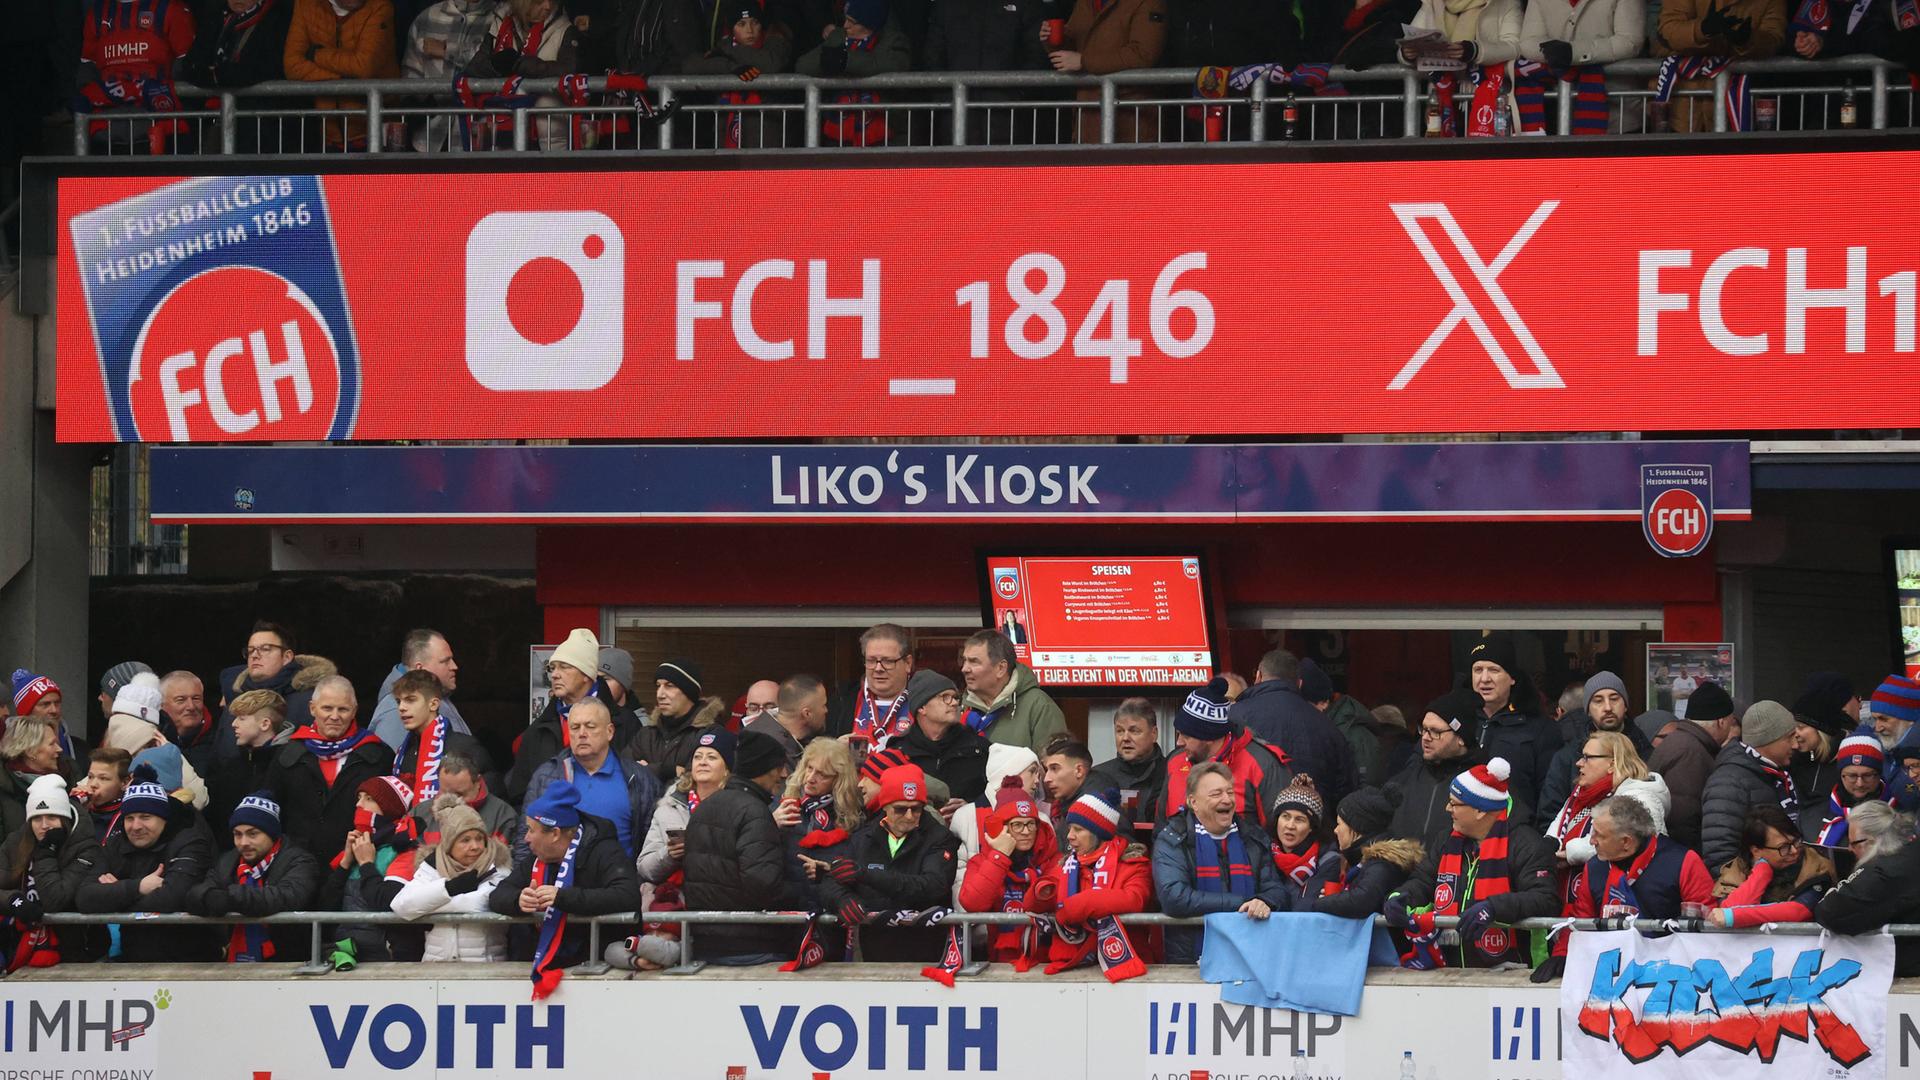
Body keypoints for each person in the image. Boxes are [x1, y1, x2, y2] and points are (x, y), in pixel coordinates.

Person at [1385, 758, 1558, 969]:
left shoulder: (1527, 844)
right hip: (1449, 968)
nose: (1448, 808)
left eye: (1454, 803)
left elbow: (1545, 898)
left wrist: (1494, 907)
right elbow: (1422, 881)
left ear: (1480, 811)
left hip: (1513, 972)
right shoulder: (1446, 839)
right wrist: (1399, 898)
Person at [1531, 796, 1713, 983]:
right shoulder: (1594, 867)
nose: (1592, 841)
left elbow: (1708, 923)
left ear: (1626, 842)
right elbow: (1581, 921)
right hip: (1613, 974)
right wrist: (1563, 953)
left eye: (1599, 835)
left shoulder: (1683, 862)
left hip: (1672, 975)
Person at [490, 779, 637, 988]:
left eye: (532, 830)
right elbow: (498, 895)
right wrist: (518, 900)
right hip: (542, 964)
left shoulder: (604, 850)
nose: (526, 838)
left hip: (594, 968)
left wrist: (563, 897)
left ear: (555, 834)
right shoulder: (537, 859)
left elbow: (627, 895)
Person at [815, 764, 960, 962]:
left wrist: (866, 875)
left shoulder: (939, 837)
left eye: (916, 809)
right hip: (872, 948)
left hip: (925, 950)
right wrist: (842, 900)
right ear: (884, 806)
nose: (909, 816)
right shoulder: (864, 836)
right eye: (900, 809)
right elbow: (834, 879)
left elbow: (932, 886)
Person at [1153, 762, 1291, 964]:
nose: (1227, 799)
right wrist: (1242, 903)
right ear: (1193, 802)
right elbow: (1175, 898)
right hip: (1190, 961)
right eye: (1216, 794)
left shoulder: (1252, 837)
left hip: (1252, 958)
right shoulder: (1173, 840)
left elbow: (1277, 890)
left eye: (1230, 792)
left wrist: (1264, 902)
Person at [682, 730, 797, 963]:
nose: (782, 775)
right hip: (751, 944)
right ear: (763, 768)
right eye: (778, 767)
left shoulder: (705, 807)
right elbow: (763, 883)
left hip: (704, 941)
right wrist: (805, 895)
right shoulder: (755, 812)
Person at [75, 774, 214, 962]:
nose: (135, 826)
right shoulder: (116, 843)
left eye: (145, 817)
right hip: (132, 959)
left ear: (164, 819)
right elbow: (84, 897)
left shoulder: (190, 841)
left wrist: (115, 895)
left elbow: (172, 898)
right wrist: (137, 887)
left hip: (191, 960)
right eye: (129, 818)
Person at [265, 675, 396, 867]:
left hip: (355, 864)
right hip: (295, 865)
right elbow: (272, 810)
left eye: (343, 709)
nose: (334, 716)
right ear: (312, 708)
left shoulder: (379, 755)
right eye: (327, 708)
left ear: (354, 711)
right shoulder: (287, 754)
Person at [1033, 790, 1152, 980]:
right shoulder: (1065, 863)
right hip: (1070, 967)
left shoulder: (1133, 863)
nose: (1070, 836)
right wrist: (1040, 893)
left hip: (1123, 970)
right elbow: (1032, 906)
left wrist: (1080, 905)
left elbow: (1134, 899)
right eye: (1070, 828)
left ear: (1099, 833)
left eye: (1078, 830)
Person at [508, 628, 636, 803]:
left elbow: (637, 790)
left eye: (564, 667)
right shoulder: (538, 730)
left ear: (586, 675)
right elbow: (519, 795)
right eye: (552, 668)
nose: (555, 675)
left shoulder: (625, 724)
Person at [191, 792, 321, 962]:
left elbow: (288, 897)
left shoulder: (300, 860)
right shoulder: (227, 861)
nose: (243, 842)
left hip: (289, 962)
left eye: (253, 834)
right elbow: (195, 893)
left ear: (272, 834)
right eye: (237, 834)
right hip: (231, 963)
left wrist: (229, 898)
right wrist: (208, 897)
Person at [525, 699, 660, 859]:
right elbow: (526, 837)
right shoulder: (547, 775)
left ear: (609, 732)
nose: (582, 733)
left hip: (620, 880)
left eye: (590, 726)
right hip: (557, 880)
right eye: (575, 727)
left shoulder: (638, 778)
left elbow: (652, 843)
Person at [392, 793, 514, 962]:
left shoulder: (498, 868)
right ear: (449, 843)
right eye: (465, 840)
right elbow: (401, 906)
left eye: (479, 838)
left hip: (485, 971)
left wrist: (427, 906)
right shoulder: (432, 866)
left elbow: (476, 904)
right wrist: (450, 888)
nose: (475, 846)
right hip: (437, 972)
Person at [1230, 651, 1356, 810]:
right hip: (1309, 826)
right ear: (1299, 683)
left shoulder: (1233, 716)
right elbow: (1344, 789)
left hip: (1247, 824)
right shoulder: (1328, 726)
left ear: (1258, 676)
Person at [1163, 677, 1292, 830]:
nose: (1179, 742)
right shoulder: (1175, 760)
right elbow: (1161, 828)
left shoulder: (1262, 765)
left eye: (1187, 736)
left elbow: (1279, 834)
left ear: (1209, 737)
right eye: (1178, 734)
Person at [956, 779, 1062, 964]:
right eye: (1017, 825)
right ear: (1002, 827)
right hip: (1000, 963)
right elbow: (972, 903)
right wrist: (1000, 856)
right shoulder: (983, 861)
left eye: (1031, 824)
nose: (1026, 831)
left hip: (1049, 959)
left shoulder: (1053, 860)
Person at [1548, 731, 1671, 891]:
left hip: (1625, 895)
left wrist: (1570, 852)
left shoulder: (1640, 797)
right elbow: (1557, 830)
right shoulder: (1582, 794)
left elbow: (1621, 841)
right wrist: (1549, 846)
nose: (1579, 763)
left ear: (1612, 764)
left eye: (1587, 757)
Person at [0, 776, 97, 967]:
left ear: (65, 819)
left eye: (51, 817)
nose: (44, 825)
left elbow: (55, 900)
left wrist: (46, 852)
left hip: (73, 954)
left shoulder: (86, 848)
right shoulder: (15, 842)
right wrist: (12, 900)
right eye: (36, 818)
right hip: (19, 949)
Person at [1461, 635, 1557, 825]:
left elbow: (1550, 794)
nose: (1484, 678)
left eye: (1494, 670)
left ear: (1512, 678)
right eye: (1478, 670)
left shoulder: (1539, 728)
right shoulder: (1456, 722)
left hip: (1516, 838)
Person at [1816, 801, 1920, 976]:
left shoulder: (1883, 872)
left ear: (1874, 840)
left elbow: (1831, 912)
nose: (1850, 849)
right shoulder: (1910, 853)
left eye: (1854, 843)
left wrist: (1831, 890)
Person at [465, 0, 586, 149]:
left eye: (552, 1)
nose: (548, 6)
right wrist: (497, 64)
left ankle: (556, 168)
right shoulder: (500, 22)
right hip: (504, 112)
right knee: (486, 114)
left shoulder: (564, 27)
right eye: (539, 1)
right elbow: (473, 69)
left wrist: (524, 65)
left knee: (546, 107)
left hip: (546, 127)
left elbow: (570, 68)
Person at [1700, 700, 1802, 876]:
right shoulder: (1728, 782)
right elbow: (1720, 854)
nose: (1796, 745)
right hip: (1753, 895)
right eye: (1789, 737)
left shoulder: (1778, 774)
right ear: (1768, 740)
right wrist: (1745, 896)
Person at [795, 0, 913, 147]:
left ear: (869, 25)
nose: (845, 26)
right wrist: (827, 61)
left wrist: (844, 61)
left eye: (852, 22)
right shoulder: (839, 35)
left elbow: (891, 65)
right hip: (837, 138)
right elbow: (803, 65)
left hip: (884, 137)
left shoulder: (893, 41)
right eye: (846, 19)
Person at [1382, 688, 1488, 849]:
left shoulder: (1484, 784)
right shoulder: (1403, 780)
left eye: (1436, 732)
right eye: (1424, 729)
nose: (1425, 738)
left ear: (1461, 738)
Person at [285, 0, 400, 148]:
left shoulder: (380, 6)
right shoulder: (306, 4)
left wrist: (315, 54)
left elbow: (363, 66)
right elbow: (292, 65)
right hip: (328, 135)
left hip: (375, 132)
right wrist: (343, 79)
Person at [1655, 0, 1784, 132]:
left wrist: (1747, 39)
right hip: (1681, 105)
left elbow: (1773, 38)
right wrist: (1703, 29)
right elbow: (1668, 30)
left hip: (1736, 107)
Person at [1051, 0, 1167, 144]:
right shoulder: (1085, 3)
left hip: (1130, 115)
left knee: (1126, 164)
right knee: (1089, 163)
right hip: (1088, 112)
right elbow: (1073, 44)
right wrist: (1054, 40)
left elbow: (1143, 54)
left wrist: (1084, 61)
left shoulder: (1147, 2)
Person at [1302, 785, 1424, 919]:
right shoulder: (1365, 861)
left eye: (1339, 824)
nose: (1335, 830)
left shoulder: (1382, 863)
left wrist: (1321, 903)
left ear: (1356, 828)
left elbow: (1362, 901)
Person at [1539, 672, 1652, 816]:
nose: (1608, 707)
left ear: (1625, 706)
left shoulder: (1646, 752)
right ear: (1588, 710)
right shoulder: (1568, 757)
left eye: (1614, 699)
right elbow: (1548, 814)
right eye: (1598, 700)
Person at [1645, 680, 1738, 851]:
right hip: (1678, 856)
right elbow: (1682, 819)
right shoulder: (1691, 753)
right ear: (1722, 722)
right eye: (1731, 723)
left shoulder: (1681, 741)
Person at [1710, 804, 1835, 926]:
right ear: (1756, 851)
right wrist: (1761, 873)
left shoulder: (1816, 865)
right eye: (1783, 847)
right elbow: (1727, 910)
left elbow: (1799, 910)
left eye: (1796, 841)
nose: (1794, 851)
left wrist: (1735, 917)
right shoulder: (1738, 870)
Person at [215, 622, 324, 760]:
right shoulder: (235, 699)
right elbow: (218, 757)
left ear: (287, 657)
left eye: (265, 649)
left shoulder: (310, 702)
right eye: (250, 650)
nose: (255, 655)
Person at [388, 670, 492, 810]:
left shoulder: (465, 747)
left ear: (434, 704)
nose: (401, 707)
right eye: (398, 701)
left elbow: (491, 801)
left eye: (410, 700)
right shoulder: (404, 752)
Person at [957, 630, 1068, 759]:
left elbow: (1054, 769)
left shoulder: (1040, 707)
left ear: (1001, 669)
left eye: (974, 662)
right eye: (964, 661)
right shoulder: (959, 708)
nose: (964, 669)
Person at [207, 689, 291, 845]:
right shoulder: (232, 765)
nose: (233, 724)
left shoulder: (289, 764)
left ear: (265, 723)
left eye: (241, 718)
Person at [629, 656, 730, 784]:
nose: (660, 694)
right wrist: (673, 770)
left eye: (669, 686)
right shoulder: (646, 733)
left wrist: (655, 770)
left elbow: (697, 781)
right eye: (658, 686)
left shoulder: (709, 734)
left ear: (689, 691)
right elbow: (625, 771)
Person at [894, 669, 990, 803]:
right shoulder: (897, 751)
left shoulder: (979, 747)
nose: (954, 703)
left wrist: (970, 807)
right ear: (922, 707)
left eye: (956, 697)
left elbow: (996, 796)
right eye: (945, 697)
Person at [369, 629, 469, 753]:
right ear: (420, 669)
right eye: (445, 661)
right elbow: (398, 769)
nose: (454, 666)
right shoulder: (396, 712)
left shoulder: (438, 692)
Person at [1088, 698, 1166, 844]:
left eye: (1134, 731)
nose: (1125, 738)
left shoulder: (1170, 774)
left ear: (1154, 734)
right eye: (1119, 731)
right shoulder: (1098, 777)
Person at [828, 623, 916, 745]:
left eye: (888, 661)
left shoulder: (926, 703)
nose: (878, 668)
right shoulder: (841, 702)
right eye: (871, 661)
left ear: (908, 663)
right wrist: (834, 750)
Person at [1306, 662, 1381, 791]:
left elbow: (1368, 784)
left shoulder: (1355, 733)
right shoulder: (1332, 725)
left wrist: (1348, 810)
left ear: (1323, 702)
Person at [414, 752, 517, 844]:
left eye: (459, 795)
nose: (452, 801)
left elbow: (504, 861)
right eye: (445, 793)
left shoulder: (503, 817)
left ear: (478, 783)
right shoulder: (419, 813)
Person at [1786, 705, 1850, 835]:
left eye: (1801, 727)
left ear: (1821, 729)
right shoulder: (1795, 761)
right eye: (1793, 728)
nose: (1795, 734)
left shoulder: (1846, 764)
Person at [1816, 736, 1891, 846]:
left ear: (1879, 775)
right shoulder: (1811, 817)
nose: (1860, 783)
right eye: (1852, 776)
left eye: (1868, 775)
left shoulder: (1899, 813)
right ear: (1841, 776)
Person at [1, 716, 67, 839]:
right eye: (52, 744)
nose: (60, 749)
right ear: (30, 751)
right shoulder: (5, 789)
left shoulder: (69, 776)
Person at [747, 674, 825, 772]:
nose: (826, 710)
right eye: (823, 705)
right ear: (807, 714)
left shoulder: (802, 739)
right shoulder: (766, 748)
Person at [1268, 775, 1333, 893]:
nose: (1290, 825)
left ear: (1311, 828)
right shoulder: (1263, 853)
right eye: (1285, 817)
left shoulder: (1327, 859)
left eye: (1299, 819)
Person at [1872, 674, 1920, 809]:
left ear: (1908, 718)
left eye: (1884, 719)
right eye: (1875, 719)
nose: (1877, 727)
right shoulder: (1876, 747)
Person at [157, 671, 216, 777]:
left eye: (196, 699)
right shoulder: (151, 743)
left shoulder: (219, 743)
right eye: (181, 700)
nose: (191, 707)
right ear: (161, 705)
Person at [76, 748, 132, 838]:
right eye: (90, 777)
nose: (93, 784)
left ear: (125, 783)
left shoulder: (129, 818)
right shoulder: (81, 810)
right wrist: (75, 809)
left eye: (103, 778)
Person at [1041, 739, 1093, 822]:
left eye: (1054, 768)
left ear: (1079, 770)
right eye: (1047, 770)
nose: (1046, 779)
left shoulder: (1093, 812)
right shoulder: (1064, 805)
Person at [599, 648, 645, 716]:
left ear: (623, 684)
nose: (598, 683)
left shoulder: (639, 724)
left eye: (606, 679)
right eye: (594, 678)